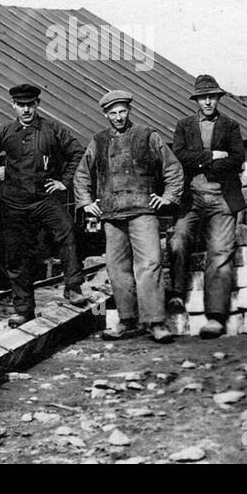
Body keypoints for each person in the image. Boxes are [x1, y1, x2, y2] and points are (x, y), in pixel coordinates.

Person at [74, 90, 184, 343]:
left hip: (143, 212)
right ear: (105, 114)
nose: (118, 117)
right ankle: (127, 320)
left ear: (129, 111)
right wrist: (86, 202)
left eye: (122, 111)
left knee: (150, 265)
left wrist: (168, 196)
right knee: (117, 269)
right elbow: (81, 174)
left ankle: (155, 322)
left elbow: (173, 167)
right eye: (112, 113)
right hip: (112, 216)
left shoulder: (147, 135)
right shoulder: (99, 141)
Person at [0, 83, 89, 326]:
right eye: (21, 105)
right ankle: (23, 309)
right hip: (14, 202)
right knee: (17, 253)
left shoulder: (52, 130)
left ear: (38, 104)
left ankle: (73, 287)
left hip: (43, 198)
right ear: (13, 106)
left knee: (67, 231)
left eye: (30, 105)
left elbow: (77, 152)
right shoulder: (6, 132)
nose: (26, 110)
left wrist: (64, 182)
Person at [168, 74, 246, 339]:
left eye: (212, 96)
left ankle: (215, 317)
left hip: (222, 198)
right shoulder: (184, 125)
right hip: (192, 198)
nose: (208, 101)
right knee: (178, 240)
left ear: (218, 98)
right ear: (197, 100)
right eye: (203, 97)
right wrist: (211, 156)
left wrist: (199, 161)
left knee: (220, 254)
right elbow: (179, 157)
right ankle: (177, 294)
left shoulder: (231, 126)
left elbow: (236, 161)